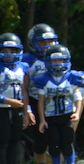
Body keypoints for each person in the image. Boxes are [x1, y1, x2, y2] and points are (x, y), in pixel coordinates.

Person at [34, 44, 84, 164]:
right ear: (48, 62)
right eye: (54, 60)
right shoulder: (44, 79)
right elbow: (41, 102)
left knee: (67, 144)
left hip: (67, 115)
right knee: (54, 146)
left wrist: (77, 113)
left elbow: (78, 97)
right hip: (51, 116)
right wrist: (42, 120)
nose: (57, 63)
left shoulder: (72, 77)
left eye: (60, 60)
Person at [22, 23, 60, 164]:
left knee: (59, 138)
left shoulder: (59, 55)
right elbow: (24, 88)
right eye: (42, 42)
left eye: (50, 41)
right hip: (35, 100)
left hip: (55, 101)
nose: (46, 45)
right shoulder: (27, 60)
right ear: (33, 42)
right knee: (40, 140)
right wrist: (27, 109)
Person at [0, 33, 29, 164]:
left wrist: (27, 111)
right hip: (2, 109)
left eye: (12, 51)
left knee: (15, 140)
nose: (8, 54)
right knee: (3, 141)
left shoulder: (23, 67)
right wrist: (8, 101)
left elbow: (24, 91)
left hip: (17, 109)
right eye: (4, 51)